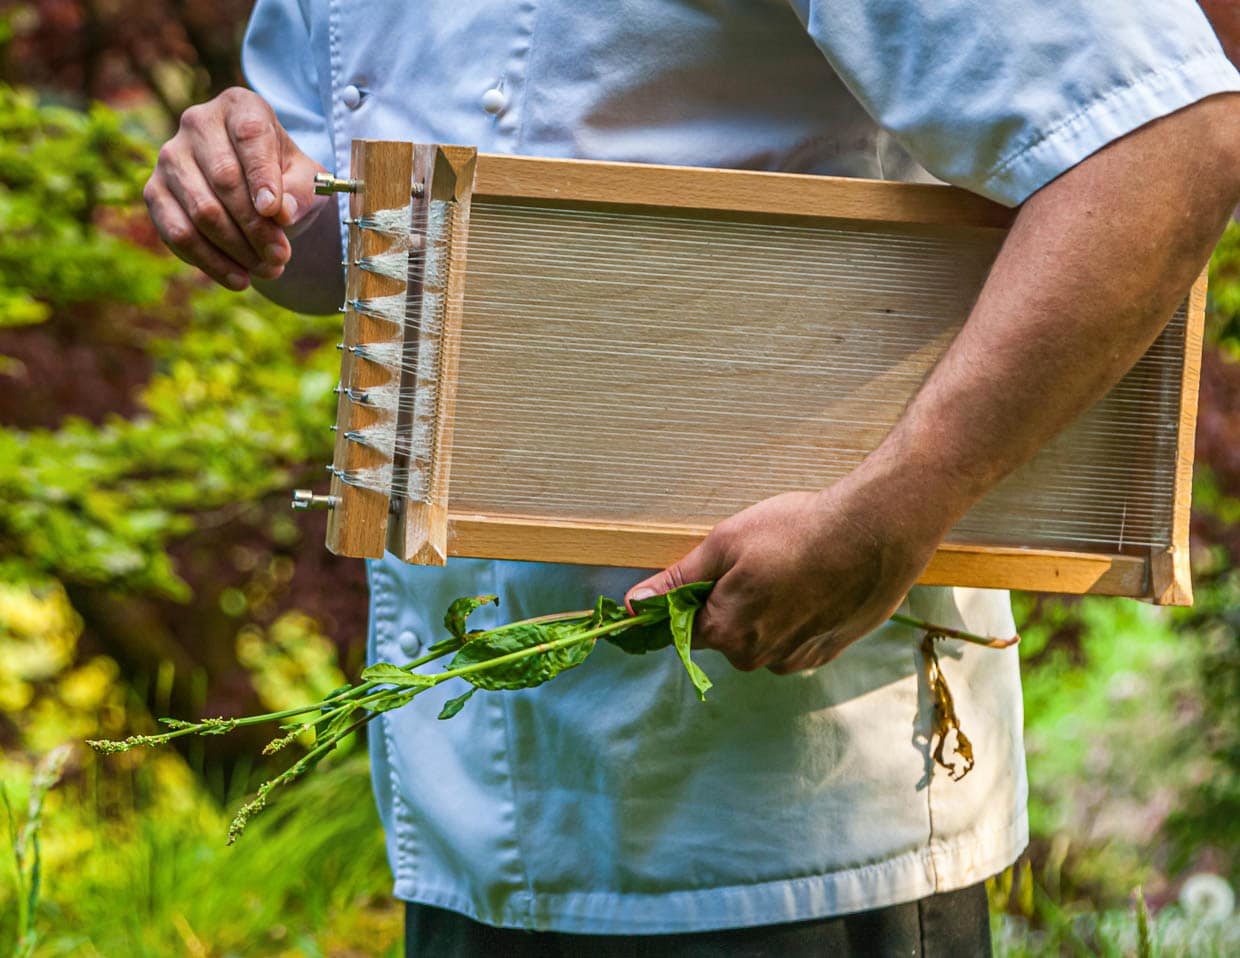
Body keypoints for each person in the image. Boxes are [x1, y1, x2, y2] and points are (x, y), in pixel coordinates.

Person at [143, 3, 1240, 954]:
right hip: (463, 809)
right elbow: (358, 225)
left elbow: (1169, 139)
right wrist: (249, 186)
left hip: (793, 820)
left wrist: (898, 506)